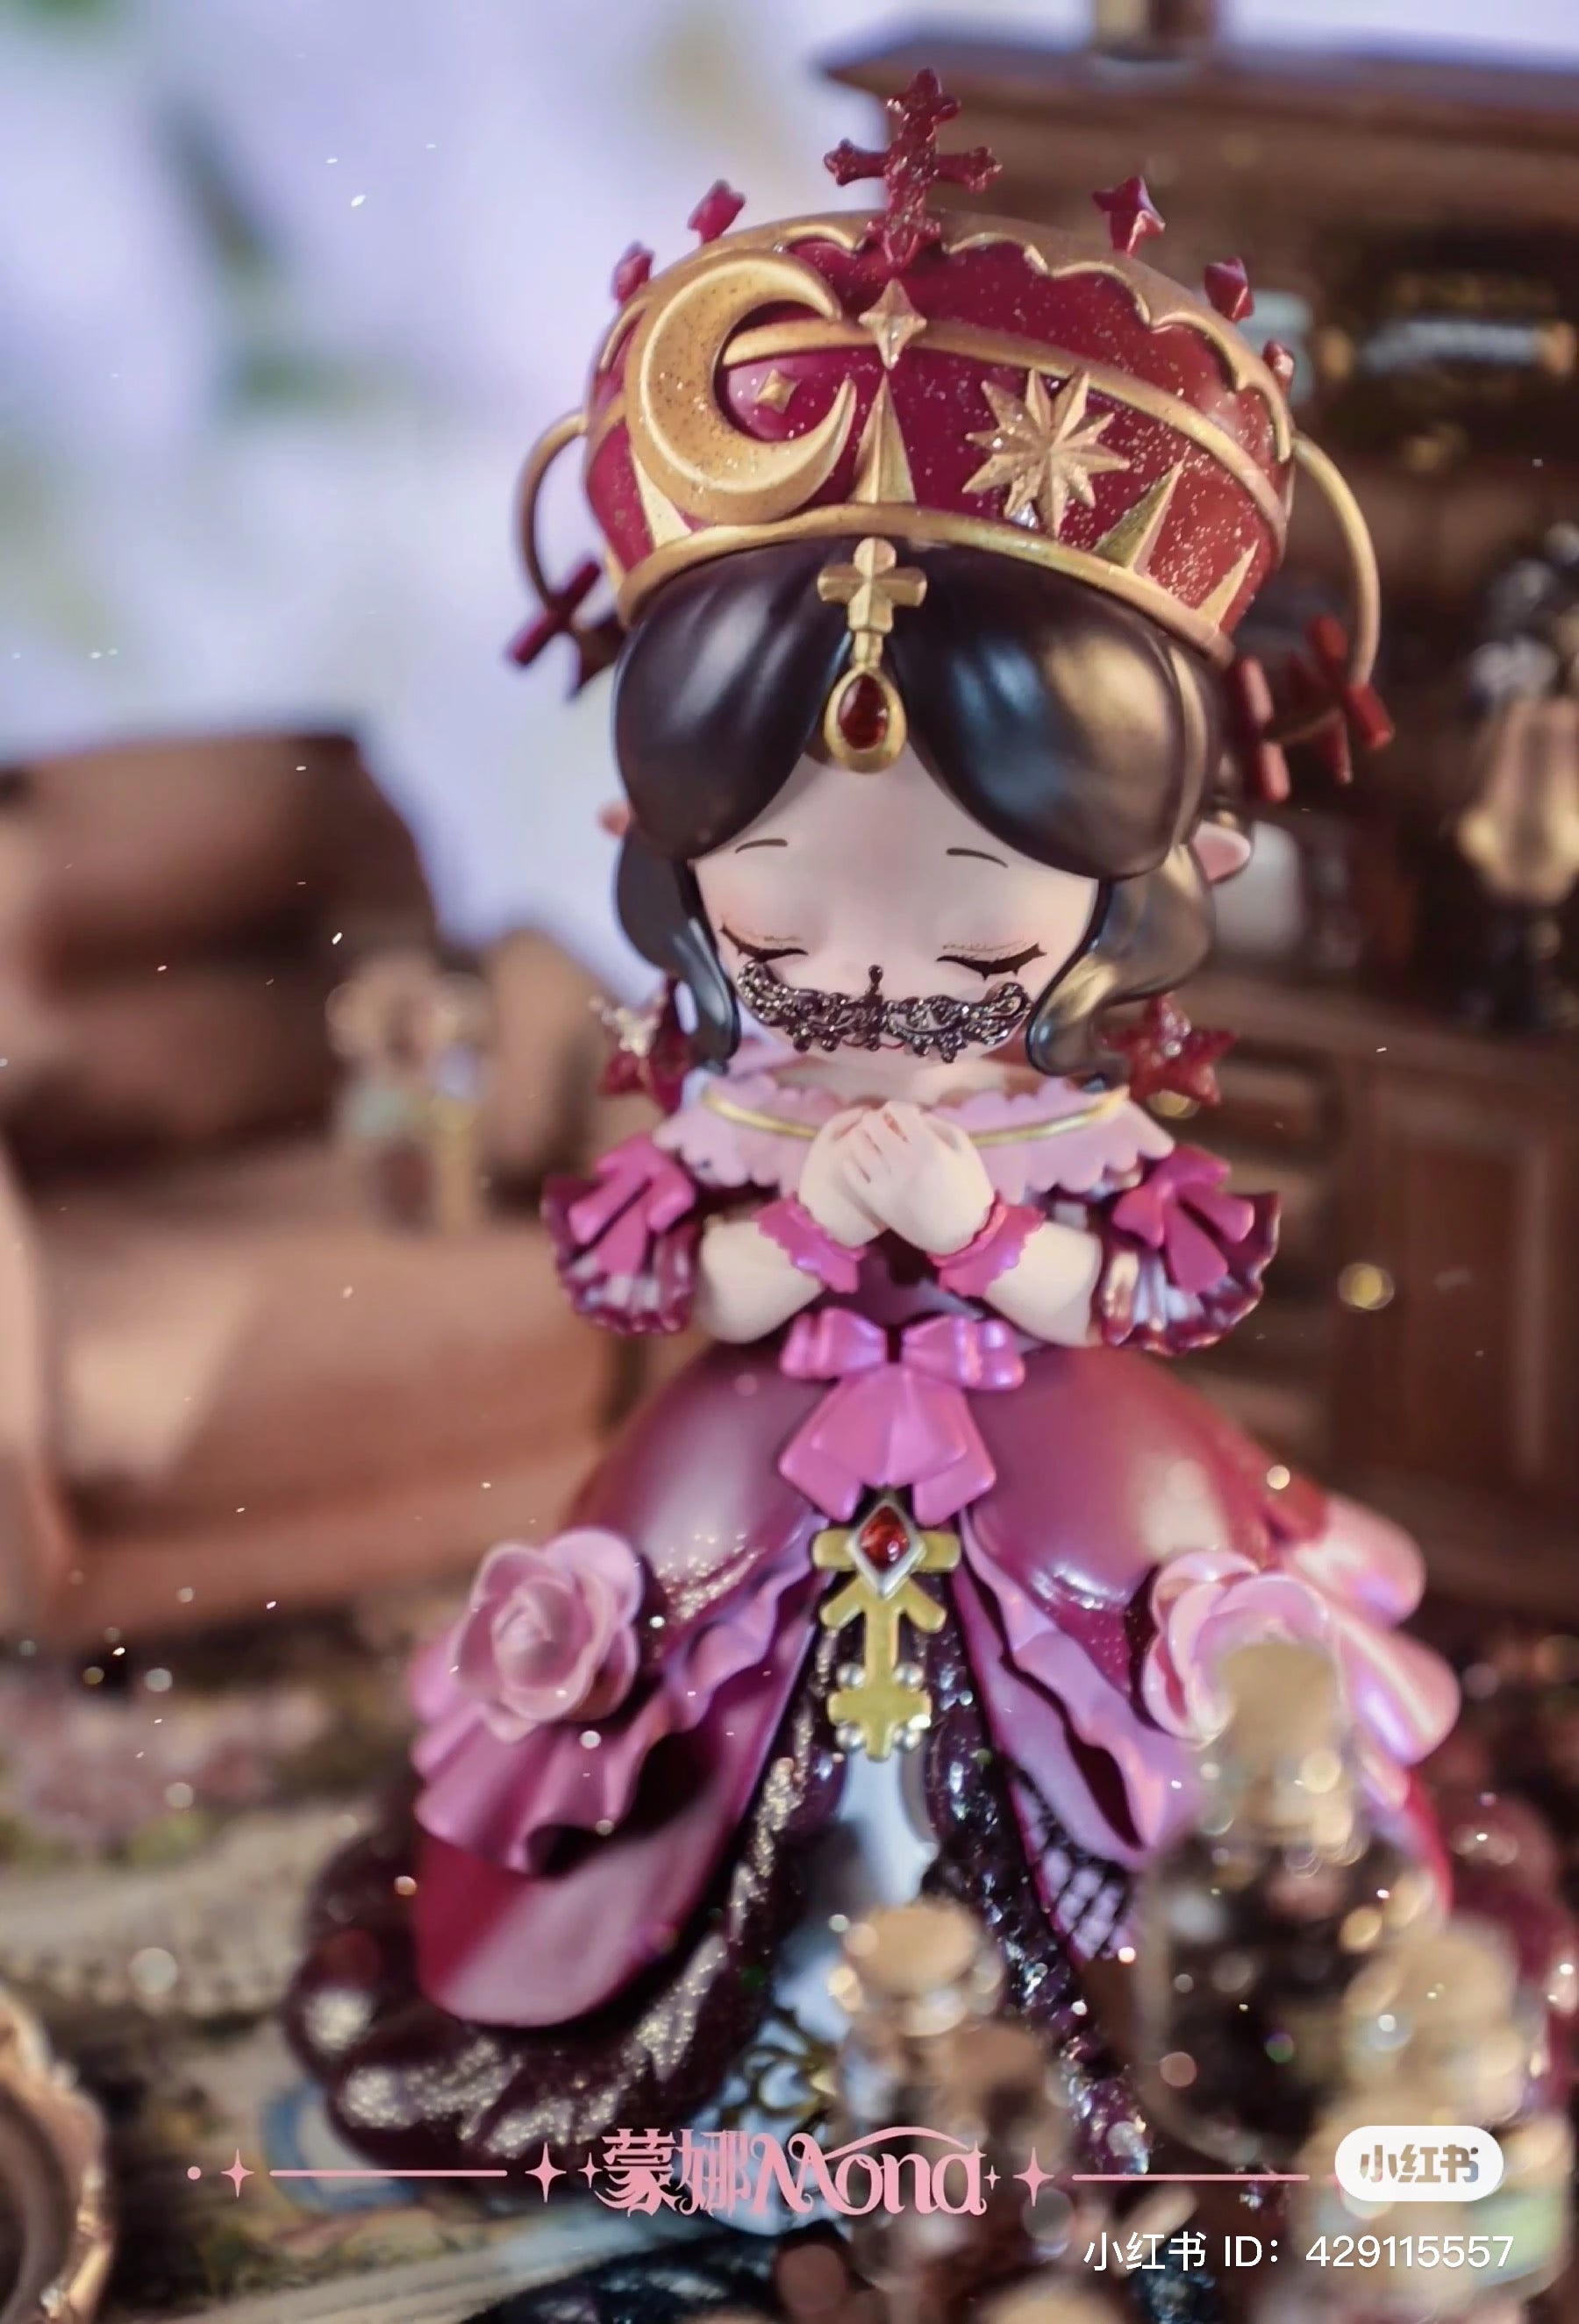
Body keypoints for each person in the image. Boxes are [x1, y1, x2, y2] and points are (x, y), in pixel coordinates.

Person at [289, 70, 1455, 2186]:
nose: (876, 971)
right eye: (783, 909)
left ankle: (1060, 2046)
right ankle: (773, 2043)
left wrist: (987, 1235)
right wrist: (794, 1233)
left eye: (973, 909)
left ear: (1132, 879)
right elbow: (675, 1278)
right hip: (752, 1468)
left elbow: (1138, 1290)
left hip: (1061, 1462)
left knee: (1127, 1734)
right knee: (697, 1719)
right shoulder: (748, 1102)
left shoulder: (1065, 1121)